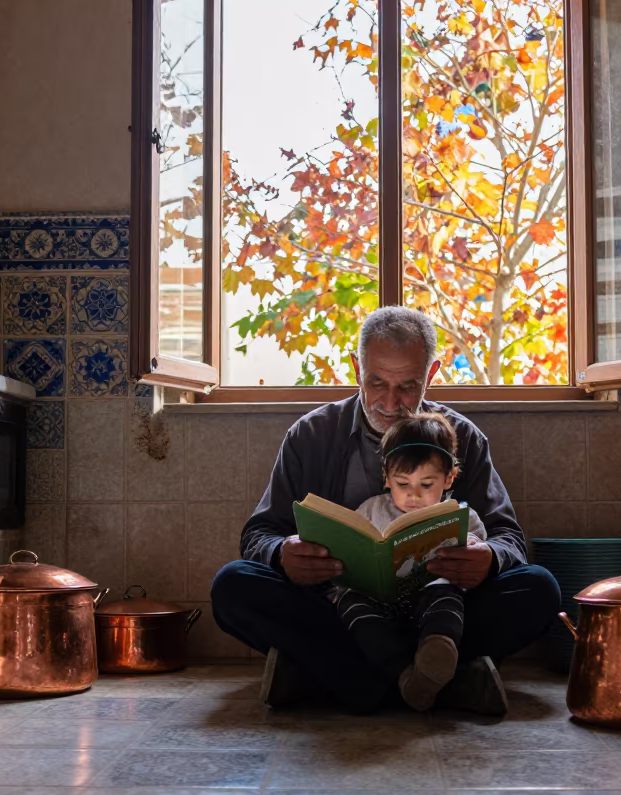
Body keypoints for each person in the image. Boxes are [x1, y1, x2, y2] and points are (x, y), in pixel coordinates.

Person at [210, 306, 561, 716]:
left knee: (538, 588)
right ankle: (446, 681)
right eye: (376, 382)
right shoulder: (310, 435)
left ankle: (331, 678)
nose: (391, 402)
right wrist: (281, 553)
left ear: (431, 376)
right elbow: (259, 533)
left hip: (442, 609)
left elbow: (508, 537)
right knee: (233, 586)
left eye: (408, 386)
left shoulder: (463, 438)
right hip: (341, 611)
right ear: (357, 368)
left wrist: (488, 559)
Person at [336, 412, 488, 712]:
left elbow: (478, 558)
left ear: (449, 478)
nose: (413, 495)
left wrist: (472, 548)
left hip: (429, 597)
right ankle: (411, 675)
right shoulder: (370, 510)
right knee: (348, 602)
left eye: (427, 484)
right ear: (386, 477)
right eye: (402, 483)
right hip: (378, 602)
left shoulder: (462, 517)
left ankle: (438, 647)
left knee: (448, 596)